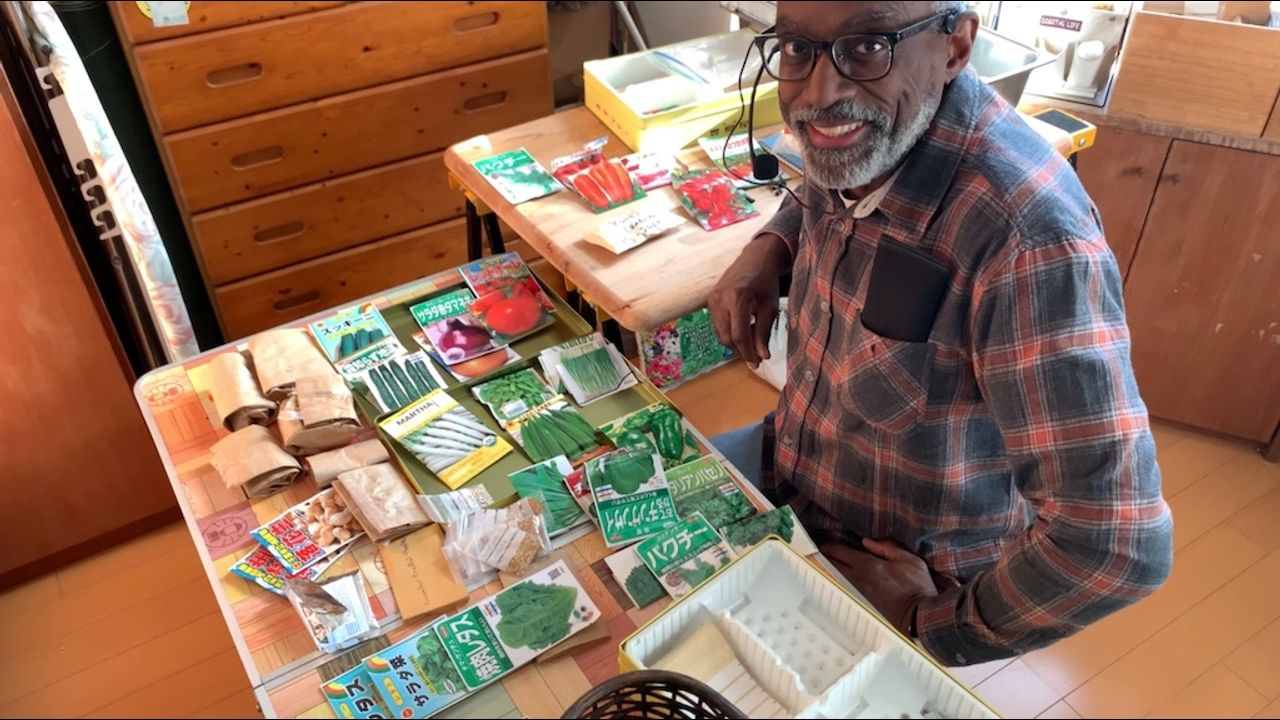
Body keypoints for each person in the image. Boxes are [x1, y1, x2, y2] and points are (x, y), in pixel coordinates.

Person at [707, 0, 1173, 666]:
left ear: (955, 46)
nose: (819, 93)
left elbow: (1115, 544)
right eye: (796, 49)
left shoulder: (1028, 242)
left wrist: (925, 622)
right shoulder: (868, 130)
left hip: (887, 566)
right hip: (792, 468)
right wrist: (769, 246)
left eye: (868, 46)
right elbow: (826, 167)